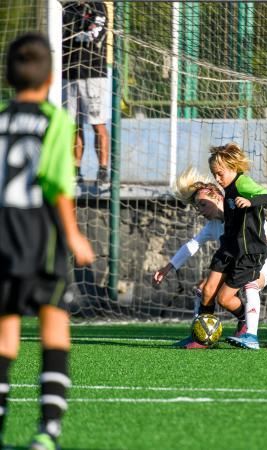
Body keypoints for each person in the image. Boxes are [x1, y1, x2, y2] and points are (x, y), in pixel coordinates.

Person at [0, 33, 95, 450]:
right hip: (42, 241)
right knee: (55, 328)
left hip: (4, 240)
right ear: (52, 75)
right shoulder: (56, 122)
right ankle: (47, 430)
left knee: (4, 340)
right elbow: (59, 185)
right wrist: (74, 235)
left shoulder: (0, 121)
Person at [153, 166, 267, 350]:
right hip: (241, 260)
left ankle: (251, 335)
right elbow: (192, 245)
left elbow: (262, 239)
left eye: (202, 204)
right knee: (205, 291)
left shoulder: (239, 211)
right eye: (197, 207)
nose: (200, 211)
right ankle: (201, 336)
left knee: (251, 284)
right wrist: (168, 267)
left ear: (217, 196)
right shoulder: (213, 226)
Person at [198, 142, 267, 348]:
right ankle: (200, 338)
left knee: (224, 298)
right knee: (207, 290)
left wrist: (251, 202)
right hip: (228, 248)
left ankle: (247, 327)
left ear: (233, 167)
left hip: (248, 252)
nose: (217, 178)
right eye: (214, 174)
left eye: (220, 174)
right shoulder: (228, 188)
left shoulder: (243, 183)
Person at [62, 0, 109, 184]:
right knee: (73, 125)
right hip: (68, 73)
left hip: (93, 73)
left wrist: (74, 36)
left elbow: (95, 35)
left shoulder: (97, 6)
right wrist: (74, 35)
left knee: (97, 123)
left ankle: (103, 169)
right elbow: (61, 34)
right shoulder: (66, 8)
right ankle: (75, 170)